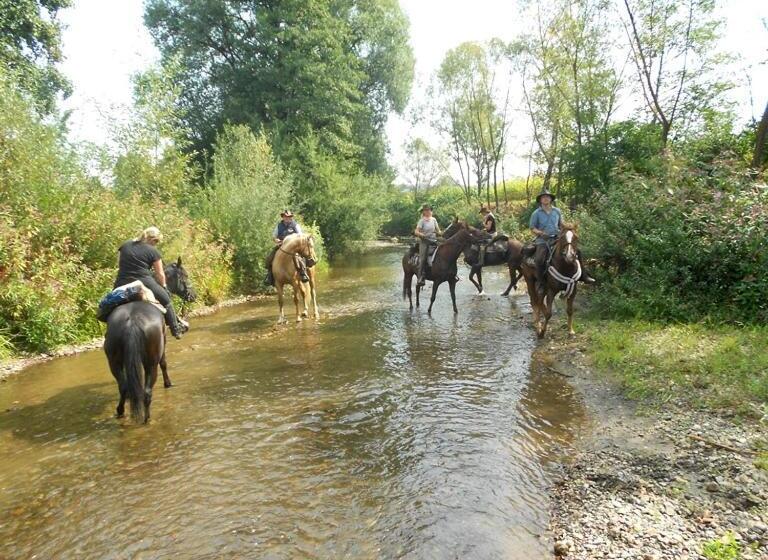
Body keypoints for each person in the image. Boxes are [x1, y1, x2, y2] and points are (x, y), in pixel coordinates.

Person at [114, 226, 188, 339]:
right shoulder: (153, 251)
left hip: (122, 282)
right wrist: (163, 286)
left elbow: (119, 264)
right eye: (156, 242)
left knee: (111, 304)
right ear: (152, 240)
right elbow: (160, 274)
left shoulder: (125, 245)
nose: (156, 244)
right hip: (144, 282)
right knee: (167, 301)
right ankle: (176, 329)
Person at [529, 188, 595, 294]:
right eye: (543, 197)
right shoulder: (536, 213)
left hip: (557, 238)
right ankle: (541, 283)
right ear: (540, 200)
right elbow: (532, 228)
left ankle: (584, 276)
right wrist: (541, 233)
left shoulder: (557, 211)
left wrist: (567, 230)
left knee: (577, 251)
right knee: (539, 259)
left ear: (551, 199)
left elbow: (561, 224)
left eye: (548, 197)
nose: (546, 199)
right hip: (543, 240)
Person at [264, 210, 309, 286]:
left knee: (300, 258)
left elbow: (300, 236)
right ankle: (269, 276)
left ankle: (303, 273)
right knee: (270, 257)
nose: (288, 218)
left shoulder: (295, 225)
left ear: (291, 217)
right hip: (281, 245)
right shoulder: (279, 226)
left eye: (289, 217)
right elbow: (274, 236)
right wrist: (277, 240)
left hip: (294, 248)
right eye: (286, 217)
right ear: (283, 217)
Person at [414, 204, 442, 286]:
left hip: (434, 240)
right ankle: (420, 278)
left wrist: (439, 233)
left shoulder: (434, 219)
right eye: (426, 210)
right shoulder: (421, 221)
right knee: (423, 259)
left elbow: (438, 230)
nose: (428, 211)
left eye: (429, 210)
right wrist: (421, 235)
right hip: (424, 242)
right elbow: (416, 231)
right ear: (424, 212)